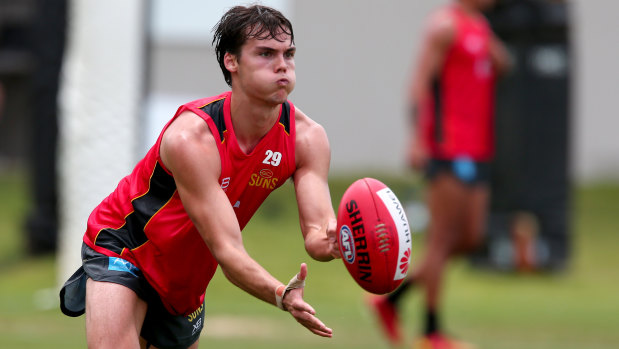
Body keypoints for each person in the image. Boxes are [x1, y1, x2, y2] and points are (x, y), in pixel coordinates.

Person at [59, 5, 340, 348]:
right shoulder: (192, 139)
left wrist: (339, 242)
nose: (282, 65)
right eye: (266, 54)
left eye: (289, 53)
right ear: (231, 61)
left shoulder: (307, 139)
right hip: (127, 244)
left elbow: (317, 236)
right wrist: (281, 294)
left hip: (186, 275)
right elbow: (228, 251)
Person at [368, 0, 511, 348]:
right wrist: (417, 140)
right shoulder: (444, 26)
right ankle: (431, 331)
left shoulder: (479, 26)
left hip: (478, 147)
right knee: (443, 239)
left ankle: (392, 301)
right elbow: (419, 84)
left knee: (471, 237)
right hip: (447, 146)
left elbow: (504, 64)